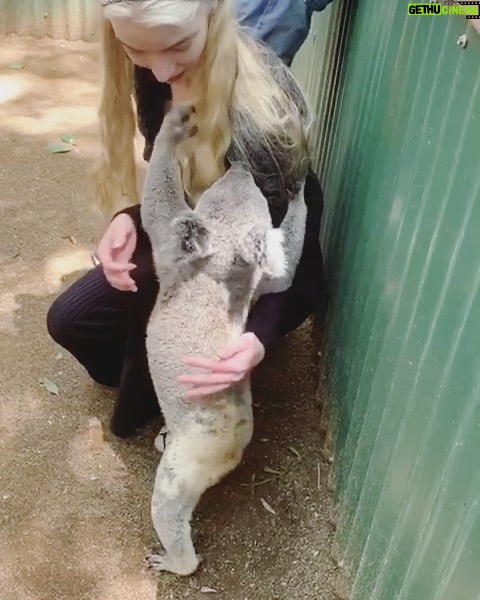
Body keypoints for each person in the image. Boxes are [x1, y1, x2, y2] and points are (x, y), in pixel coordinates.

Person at [47, 0, 328, 438]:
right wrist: (130, 218)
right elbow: (175, 183)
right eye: (136, 50)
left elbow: (285, 249)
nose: (160, 72)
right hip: (196, 232)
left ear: (213, 14)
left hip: (263, 265)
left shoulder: (260, 117)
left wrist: (258, 335)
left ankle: (195, 382)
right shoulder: (156, 74)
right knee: (71, 322)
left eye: (177, 46)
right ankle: (164, 371)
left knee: (196, 371)